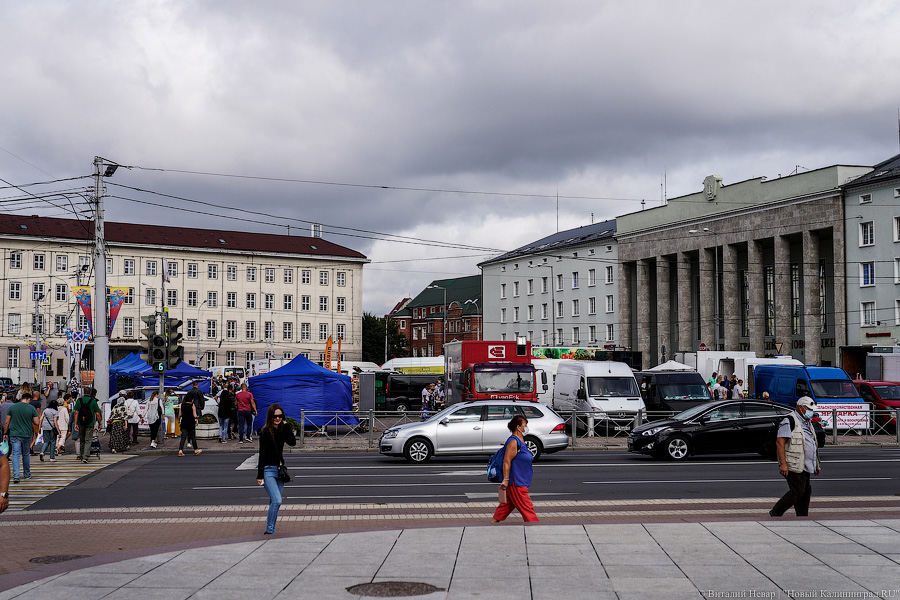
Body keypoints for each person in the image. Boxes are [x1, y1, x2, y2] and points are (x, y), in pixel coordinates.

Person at [770, 397, 821, 518]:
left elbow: (812, 444)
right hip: (793, 463)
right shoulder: (789, 421)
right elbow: (780, 442)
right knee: (797, 491)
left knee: (805, 491)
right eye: (809, 409)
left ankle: (802, 516)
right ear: (801, 407)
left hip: (806, 464)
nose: (811, 412)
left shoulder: (807, 422)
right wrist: (783, 464)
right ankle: (776, 512)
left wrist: (816, 465)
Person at [256, 403, 296, 534]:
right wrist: (259, 475)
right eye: (275, 416)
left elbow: (292, 442)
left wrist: (287, 425)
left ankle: (271, 527)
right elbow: (262, 454)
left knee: (274, 501)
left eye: (280, 416)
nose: (277, 419)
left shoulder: (282, 429)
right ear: (270, 417)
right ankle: (270, 529)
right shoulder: (264, 432)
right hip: (268, 470)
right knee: (277, 500)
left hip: (279, 470)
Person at [491, 414, 539, 523]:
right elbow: (506, 462)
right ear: (518, 427)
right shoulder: (513, 442)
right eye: (525, 425)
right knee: (528, 508)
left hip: (519, 480)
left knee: (507, 505)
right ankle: (536, 528)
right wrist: (506, 480)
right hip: (516, 482)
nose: (526, 428)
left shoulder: (520, 440)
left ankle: (492, 524)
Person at [3, 394, 39, 483]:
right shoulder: (31, 408)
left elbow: (7, 422)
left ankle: (16, 476)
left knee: (15, 454)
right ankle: (26, 474)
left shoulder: (13, 407)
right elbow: (37, 422)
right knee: (26, 454)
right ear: (29, 399)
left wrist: (5, 433)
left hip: (14, 434)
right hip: (27, 434)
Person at [72, 388, 101, 464]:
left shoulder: (79, 400)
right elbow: (97, 413)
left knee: (82, 440)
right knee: (88, 440)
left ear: (83, 392)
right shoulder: (93, 401)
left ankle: (81, 455)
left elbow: (76, 412)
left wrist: (75, 423)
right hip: (90, 424)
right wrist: (99, 423)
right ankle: (85, 457)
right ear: (90, 392)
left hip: (81, 423)